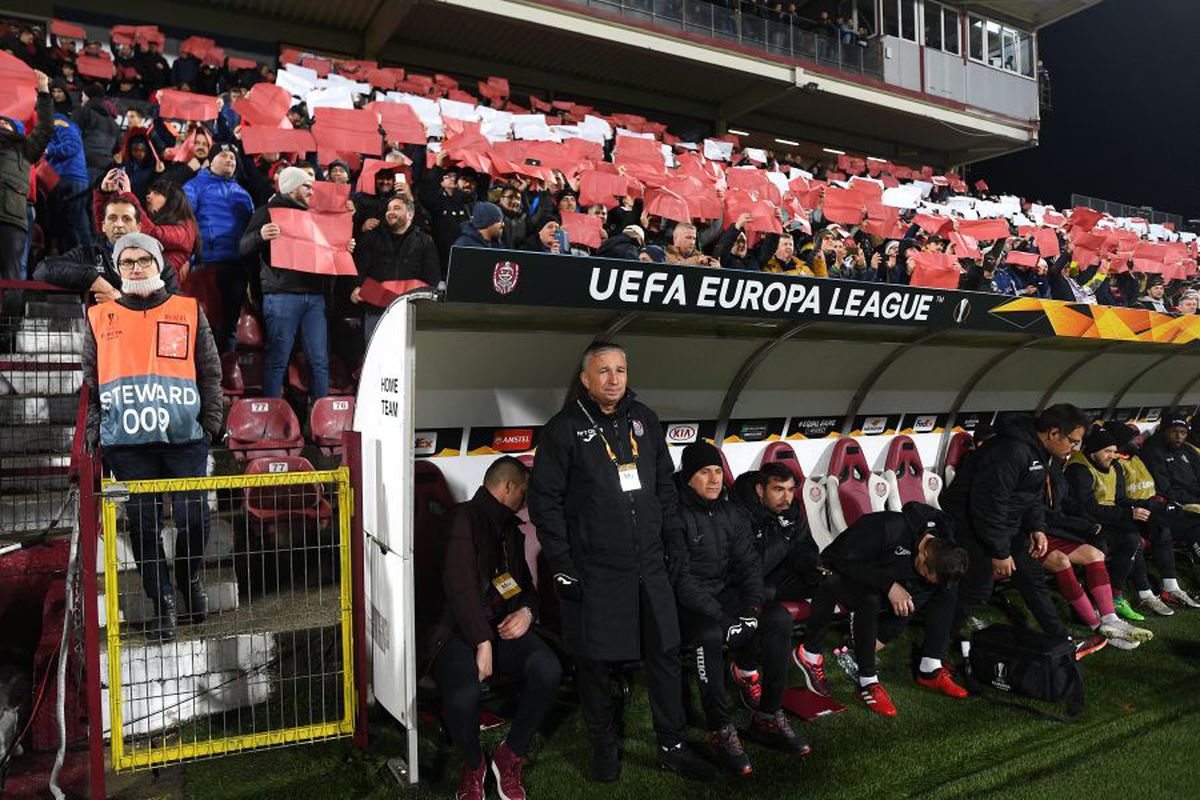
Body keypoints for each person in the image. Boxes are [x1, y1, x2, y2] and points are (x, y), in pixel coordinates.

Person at [528, 341, 715, 784]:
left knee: (665, 655)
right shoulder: (564, 429)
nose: (614, 379)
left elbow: (664, 490)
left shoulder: (644, 420)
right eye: (604, 371)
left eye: (621, 370)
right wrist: (564, 562)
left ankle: (672, 746)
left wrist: (673, 543)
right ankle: (604, 749)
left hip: (650, 567)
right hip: (596, 570)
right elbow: (545, 503)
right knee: (594, 663)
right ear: (586, 380)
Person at [81, 233, 222, 642]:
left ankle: (188, 576)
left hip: (184, 440)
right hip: (126, 446)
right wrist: (97, 432)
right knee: (142, 528)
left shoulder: (188, 310)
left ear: (160, 264)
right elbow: (91, 384)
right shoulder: (99, 317)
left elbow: (210, 372)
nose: (137, 268)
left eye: (144, 260)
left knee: (194, 519)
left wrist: (210, 424)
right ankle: (163, 605)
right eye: (128, 262)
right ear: (117, 269)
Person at [422, 456, 562, 800]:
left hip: (497, 629)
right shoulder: (462, 519)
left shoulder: (509, 530)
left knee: (548, 669)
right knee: (463, 695)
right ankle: (473, 765)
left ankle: (509, 754)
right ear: (509, 486)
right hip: (455, 633)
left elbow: (524, 587)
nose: (525, 501)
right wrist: (482, 642)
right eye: (523, 492)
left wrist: (527, 612)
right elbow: (460, 588)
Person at [669, 442, 808, 777]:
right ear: (688, 478)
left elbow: (749, 567)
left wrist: (752, 607)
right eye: (704, 472)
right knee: (709, 633)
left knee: (777, 617)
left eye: (717, 471)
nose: (714, 479)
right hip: (689, 603)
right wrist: (725, 620)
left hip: (727, 595)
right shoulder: (673, 516)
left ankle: (768, 717)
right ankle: (720, 730)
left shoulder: (731, 511)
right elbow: (681, 579)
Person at [941, 404, 1107, 658]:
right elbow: (988, 505)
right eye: (1072, 441)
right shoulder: (1010, 451)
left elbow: (1030, 496)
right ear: (1053, 433)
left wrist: (1036, 527)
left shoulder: (1038, 451)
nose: (1074, 448)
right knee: (977, 588)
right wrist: (999, 551)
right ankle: (936, 650)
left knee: (1031, 577)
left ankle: (1062, 640)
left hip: (1002, 525)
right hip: (969, 525)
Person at [794, 503, 970, 716]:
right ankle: (868, 682)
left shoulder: (943, 541)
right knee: (871, 597)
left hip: (883, 577)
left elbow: (918, 594)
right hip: (838, 570)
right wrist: (888, 585)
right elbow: (840, 560)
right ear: (923, 554)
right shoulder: (887, 528)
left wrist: (884, 636)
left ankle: (930, 666)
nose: (925, 577)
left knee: (944, 589)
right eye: (925, 572)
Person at [1040, 428, 1153, 649]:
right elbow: (1040, 510)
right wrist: (1085, 525)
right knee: (1063, 561)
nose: (1073, 448)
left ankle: (1110, 618)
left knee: (1096, 554)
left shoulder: (1054, 465)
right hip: (1029, 533)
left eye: (1076, 443)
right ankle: (1097, 627)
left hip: (1051, 527)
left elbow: (1064, 504)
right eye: (1071, 442)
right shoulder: (1068, 468)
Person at [239, 166, 336, 403]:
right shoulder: (268, 212)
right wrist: (260, 235)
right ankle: (270, 418)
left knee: (320, 361)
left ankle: (319, 420)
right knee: (277, 359)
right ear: (292, 187)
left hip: (314, 297)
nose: (311, 191)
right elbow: (243, 247)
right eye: (306, 186)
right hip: (281, 296)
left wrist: (344, 247)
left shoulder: (317, 216)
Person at [1102, 421, 1195, 614]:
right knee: (1146, 533)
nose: (1137, 441)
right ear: (1120, 443)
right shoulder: (1115, 464)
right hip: (1133, 514)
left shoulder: (1137, 458)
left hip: (1154, 508)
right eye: (1131, 438)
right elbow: (1118, 499)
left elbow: (1156, 486)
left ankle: (1171, 587)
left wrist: (1161, 502)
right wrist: (1147, 505)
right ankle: (1146, 594)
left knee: (1172, 525)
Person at [34, 194, 179, 300]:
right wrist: (92, 278)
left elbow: (173, 302)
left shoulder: (157, 261)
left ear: (139, 227)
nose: (119, 225)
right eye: (112, 218)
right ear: (103, 226)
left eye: (126, 219)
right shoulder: (87, 254)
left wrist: (121, 301)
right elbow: (43, 270)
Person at [183, 143, 255, 352]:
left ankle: (227, 376)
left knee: (230, 325)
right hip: (207, 265)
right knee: (207, 326)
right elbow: (186, 224)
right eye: (224, 156)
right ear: (210, 161)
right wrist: (189, 258)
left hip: (236, 267)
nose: (230, 160)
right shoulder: (193, 187)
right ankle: (206, 377)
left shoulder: (243, 193)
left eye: (233, 157)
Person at [0, 70, 52, 321]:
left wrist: (43, 92)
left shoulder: (25, 148)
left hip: (13, 221)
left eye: (7, 122)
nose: (2, 123)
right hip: (14, 220)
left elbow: (44, 128)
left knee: (11, 278)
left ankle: (8, 332)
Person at [351, 194, 440, 340]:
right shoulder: (371, 237)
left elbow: (432, 276)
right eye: (389, 209)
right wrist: (355, 287)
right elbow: (358, 268)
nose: (390, 212)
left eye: (397, 208)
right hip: (376, 310)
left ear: (410, 214)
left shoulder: (425, 241)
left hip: (409, 311)